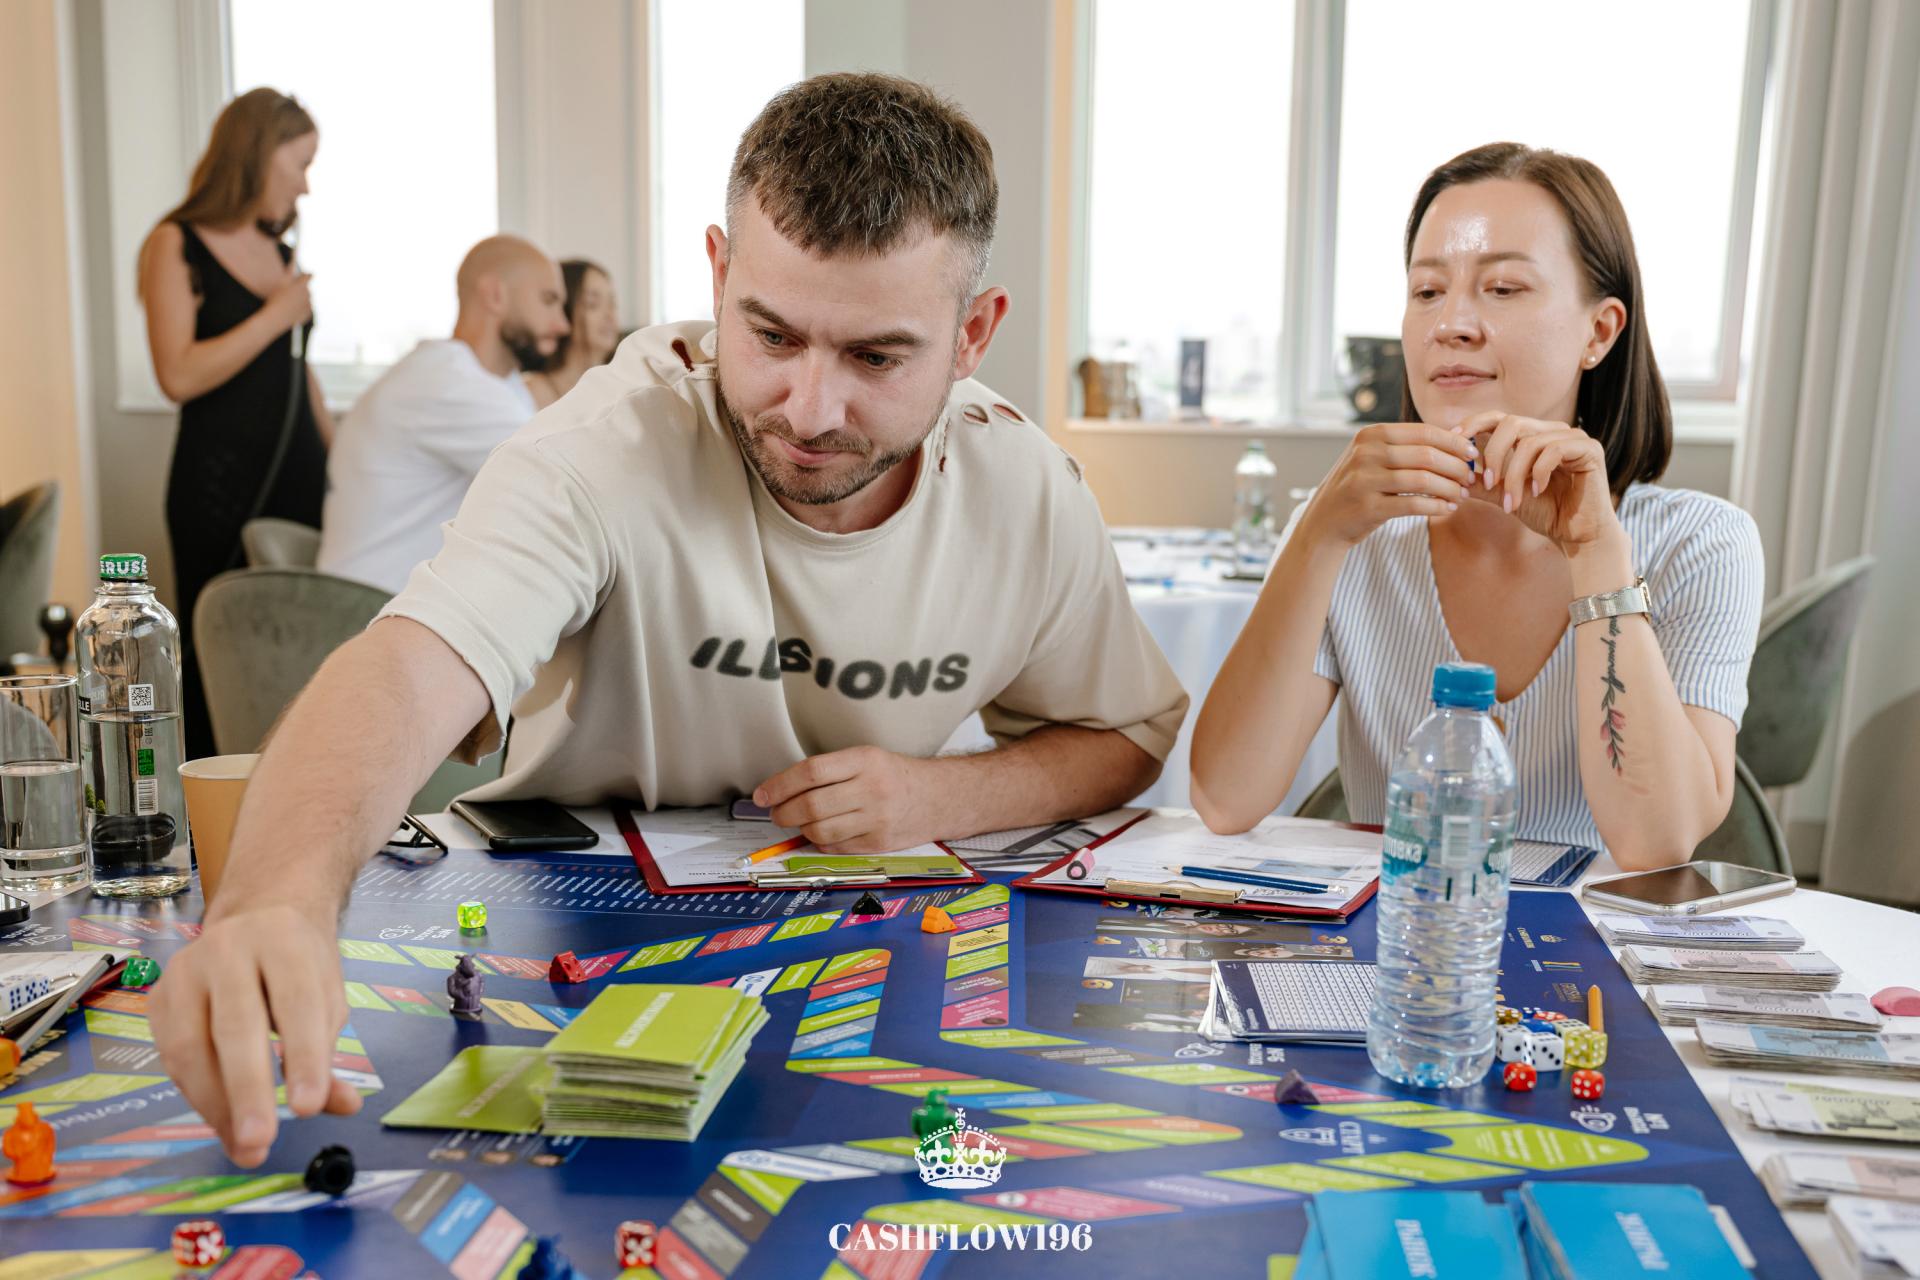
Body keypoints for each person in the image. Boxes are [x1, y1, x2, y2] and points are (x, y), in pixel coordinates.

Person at [151, 73, 1187, 1166]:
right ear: (720, 275)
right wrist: (275, 900)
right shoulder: (604, 448)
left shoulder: (1025, 487)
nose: (810, 409)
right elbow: (407, 672)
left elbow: (1129, 734)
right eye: (771, 335)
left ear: (972, 333)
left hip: (881, 956)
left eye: (876, 356)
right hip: (564, 939)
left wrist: (947, 793)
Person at [1191, 143, 1763, 872]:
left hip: (1591, 946)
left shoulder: (1702, 542)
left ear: (1599, 332)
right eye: (1427, 291)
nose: (1451, 324)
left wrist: (1595, 551)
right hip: (1404, 939)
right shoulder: (1352, 538)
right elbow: (1226, 799)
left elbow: (1656, 842)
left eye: (1503, 288)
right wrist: (1317, 534)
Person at [139, 87, 333, 758]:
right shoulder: (175, 243)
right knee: (216, 656)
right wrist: (275, 315)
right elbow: (178, 374)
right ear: (258, 154)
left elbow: (296, 369)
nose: (305, 186)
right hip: (218, 486)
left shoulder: (280, 253)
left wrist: (338, 457)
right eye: (300, 164)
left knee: (300, 650)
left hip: (300, 476)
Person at [316, 236, 570, 594]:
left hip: (396, 602)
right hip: (366, 608)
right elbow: (565, 484)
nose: (562, 325)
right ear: (495, 295)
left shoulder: (490, 381)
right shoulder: (448, 381)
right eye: (548, 301)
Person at [525, 258, 620, 410]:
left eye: (612, 303)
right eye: (592, 304)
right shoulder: (534, 393)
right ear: (563, 311)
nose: (610, 315)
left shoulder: (628, 387)